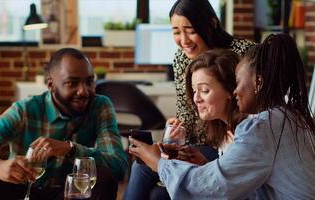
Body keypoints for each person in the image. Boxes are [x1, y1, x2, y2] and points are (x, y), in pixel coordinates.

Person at [130, 33, 315, 199]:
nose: (235, 90)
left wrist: (159, 163)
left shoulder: (261, 128)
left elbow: (216, 189)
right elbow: (254, 186)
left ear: (258, 82)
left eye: (237, 82)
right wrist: (206, 166)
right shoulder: (289, 118)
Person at [123, 0, 254, 199]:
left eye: (190, 30)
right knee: (146, 175)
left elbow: (256, 109)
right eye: (176, 31)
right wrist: (176, 132)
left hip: (230, 145)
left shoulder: (244, 53)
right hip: (195, 144)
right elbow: (187, 112)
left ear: (211, 24)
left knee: (155, 187)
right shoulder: (181, 58)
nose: (183, 40)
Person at [0, 48, 128, 200]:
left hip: (69, 193)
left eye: (89, 82)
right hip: (22, 190)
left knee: (104, 179)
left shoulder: (100, 105)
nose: (84, 91)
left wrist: (71, 149)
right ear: (51, 85)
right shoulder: (24, 110)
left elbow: (118, 166)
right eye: (72, 83)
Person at [124, 48, 245, 200]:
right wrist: (204, 164)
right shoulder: (223, 130)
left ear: (230, 90)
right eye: (194, 91)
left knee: (149, 178)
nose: (196, 99)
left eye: (204, 90)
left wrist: (159, 163)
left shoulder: (245, 134)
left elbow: (228, 191)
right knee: (157, 194)